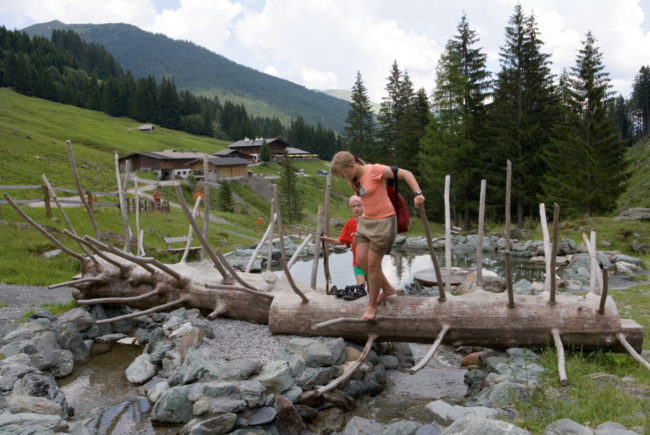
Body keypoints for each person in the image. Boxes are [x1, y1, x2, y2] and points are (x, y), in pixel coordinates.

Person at [330, 151, 425, 320]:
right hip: (366, 223)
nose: (344, 178)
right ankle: (387, 288)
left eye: (344, 174)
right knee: (360, 261)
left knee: (373, 265)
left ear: (352, 166)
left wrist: (418, 193)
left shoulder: (374, 170)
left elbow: (405, 173)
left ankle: (372, 305)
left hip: (384, 222)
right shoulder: (354, 180)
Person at [321, 195, 366, 287]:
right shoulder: (350, 223)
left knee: (373, 290)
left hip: (372, 262)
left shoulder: (369, 221)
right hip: (357, 263)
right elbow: (341, 241)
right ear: (351, 209)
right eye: (353, 206)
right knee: (361, 286)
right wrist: (327, 239)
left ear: (363, 206)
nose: (356, 208)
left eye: (359, 205)